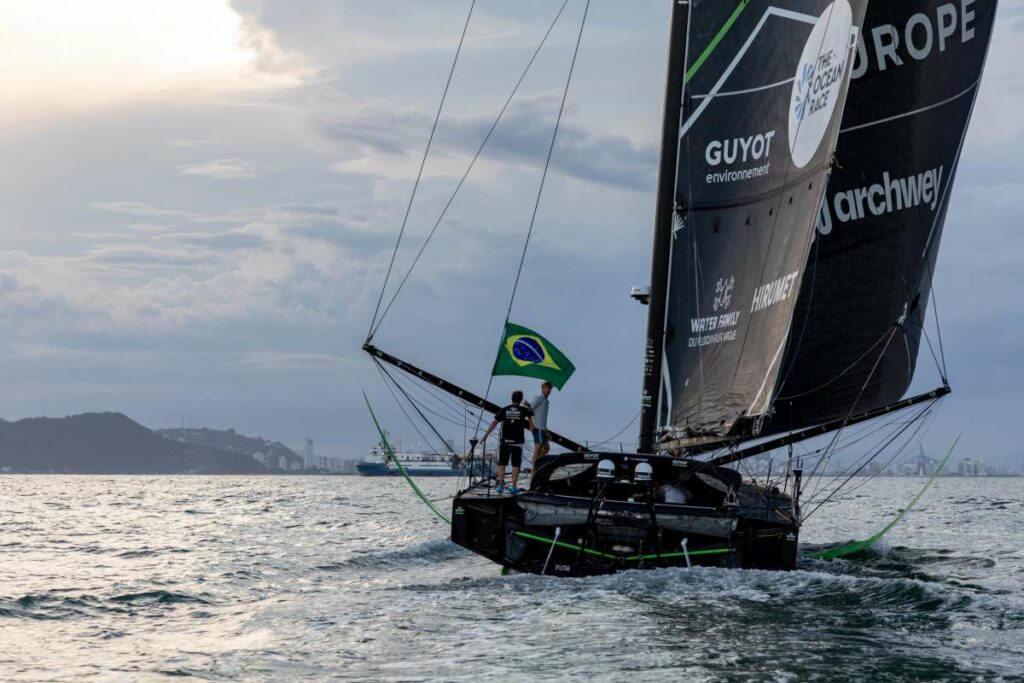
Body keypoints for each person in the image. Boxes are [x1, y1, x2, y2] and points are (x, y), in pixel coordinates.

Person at [480, 390, 534, 495]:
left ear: (511, 398)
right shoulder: (523, 410)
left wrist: (485, 436)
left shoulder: (504, 409)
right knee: (516, 465)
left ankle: (500, 486)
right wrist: (530, 417)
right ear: (521, 399)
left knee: (502, 464)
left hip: (504, 442)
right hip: (517, 443)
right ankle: (513, 486)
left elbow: (494, 423)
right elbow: (531, 425)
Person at [529, 381, 553, 469]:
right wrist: (531, 424)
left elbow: (541, 417)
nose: (548, 390)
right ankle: (533, 471)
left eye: (549, 388)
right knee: (537, 450)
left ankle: (537, 463)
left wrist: (547, 431)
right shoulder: (539, 398)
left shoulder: (545, 401)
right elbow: (529, 409)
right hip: (537, 428)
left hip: (542, 429)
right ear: (542, 388)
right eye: (546, 388)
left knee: (546, 448)